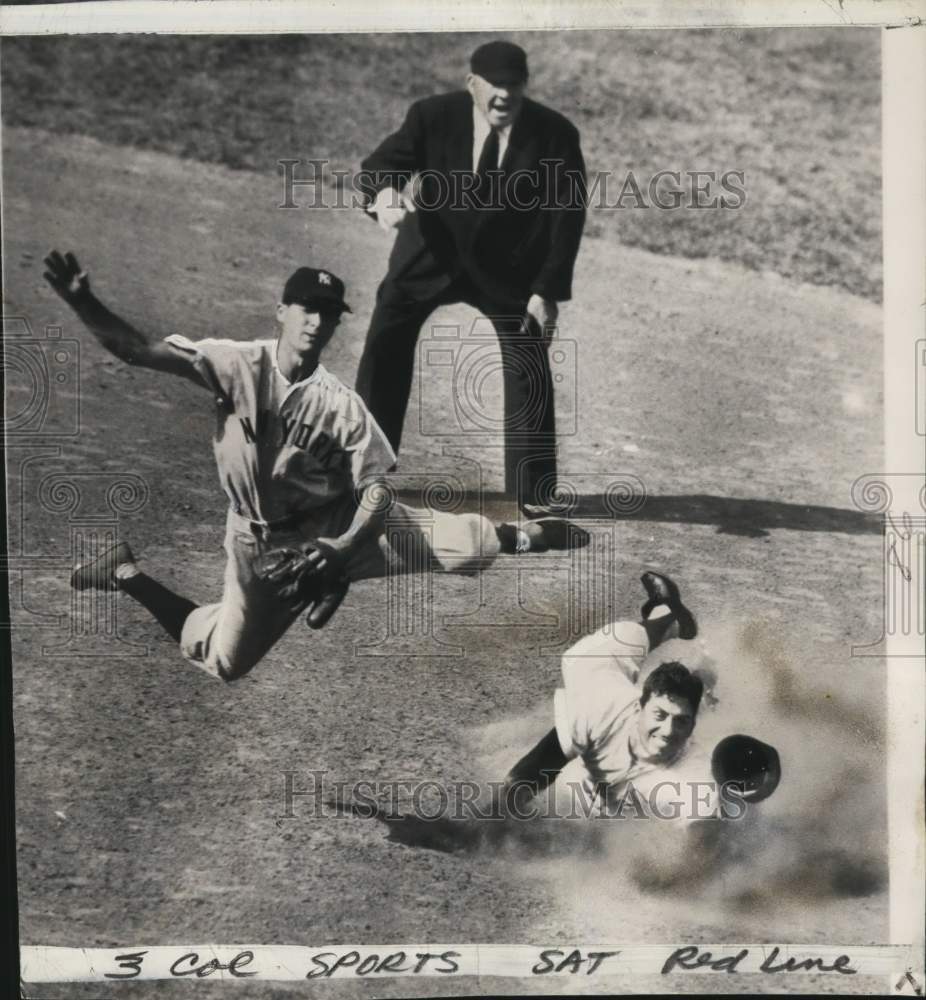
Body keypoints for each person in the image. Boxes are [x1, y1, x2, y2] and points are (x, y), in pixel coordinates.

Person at [43, 249, 589, 683]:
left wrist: (343, 547)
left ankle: (523, 537)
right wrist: (84, 303)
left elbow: (377, 491)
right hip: (263, 544)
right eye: (306, 307)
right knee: (226, 662)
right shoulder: (237, 365)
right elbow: (139, 349)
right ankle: (125, 573)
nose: (316, 321)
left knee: (466, 544)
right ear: (282, 311)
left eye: (327, 313)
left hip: (341, 521)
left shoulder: (341, 405)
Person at [355, 39, 587, 515]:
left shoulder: (555, 135)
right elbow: (380, 167)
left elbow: (567, 218)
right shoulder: (432, 116)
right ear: (472, 84)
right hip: (429, 255)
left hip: (506, 269)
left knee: (528, 357)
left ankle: (534, 492)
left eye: (514, 85)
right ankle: (364, 472)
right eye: (494, 85)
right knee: (385, 343)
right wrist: (384, 196)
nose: (504, 95)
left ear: (525, 86)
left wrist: (546, 292)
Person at [504, 571, 781, 818]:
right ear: (638, 707)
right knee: (595, 652)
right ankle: (667, 617)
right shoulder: (601, 707)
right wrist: (501, 809)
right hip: (605, 689)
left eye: (682, 722)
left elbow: (699, 841)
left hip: (650, 786)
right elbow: (539, 764)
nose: (668, 730)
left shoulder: (691, 779)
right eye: (659, 716)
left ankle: (701, 671)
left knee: (687, 711)